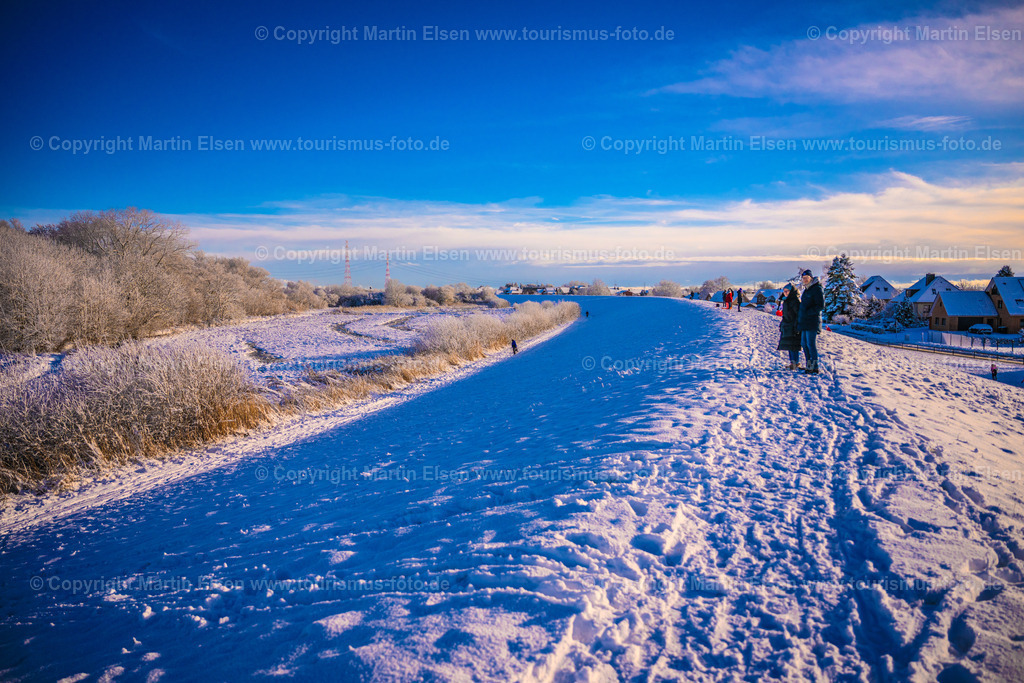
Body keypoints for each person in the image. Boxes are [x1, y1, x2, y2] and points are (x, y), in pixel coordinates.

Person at [797, 270, 824, 374]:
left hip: (812, 321)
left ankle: (814, 367)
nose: (804, 280)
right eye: (803, 278)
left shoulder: (817, 289)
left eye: (806, 278)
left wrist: (808, 312)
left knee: (810, 344)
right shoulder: (807, 289)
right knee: (804, 343)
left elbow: (820, 305)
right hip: (805, 321)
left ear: (811, 278)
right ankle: (809, 365)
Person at [777, 284, 801, 370]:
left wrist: (796, 325)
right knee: (789, 345)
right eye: (784, 291)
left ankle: (795, 363)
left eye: (787, 291)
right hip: (787, 325)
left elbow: (798, 314)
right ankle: (792, 362)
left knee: (794, 345)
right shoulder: (786, 300)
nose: (785, 293)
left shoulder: (794, 301)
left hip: (793, 325)